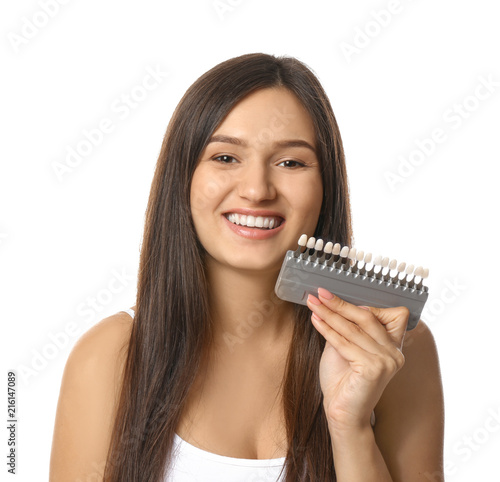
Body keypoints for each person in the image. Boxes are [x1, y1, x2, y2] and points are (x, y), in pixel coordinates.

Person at [49, 53, 444, 481]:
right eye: (225, 158)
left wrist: (349, 425)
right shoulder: (110, 356)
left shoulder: (393, 348)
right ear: (182, 177)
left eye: (291, 162)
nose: (256, 190)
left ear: (325, 186)